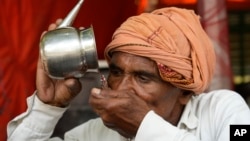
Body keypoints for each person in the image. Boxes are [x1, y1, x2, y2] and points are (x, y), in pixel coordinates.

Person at [7, 7, 250, 141]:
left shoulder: (224, 110)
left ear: (184, 91)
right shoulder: (96, 134)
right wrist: (47, 106)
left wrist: (144, 127)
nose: (122, 88)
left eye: (143, 77)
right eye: (115, 72)